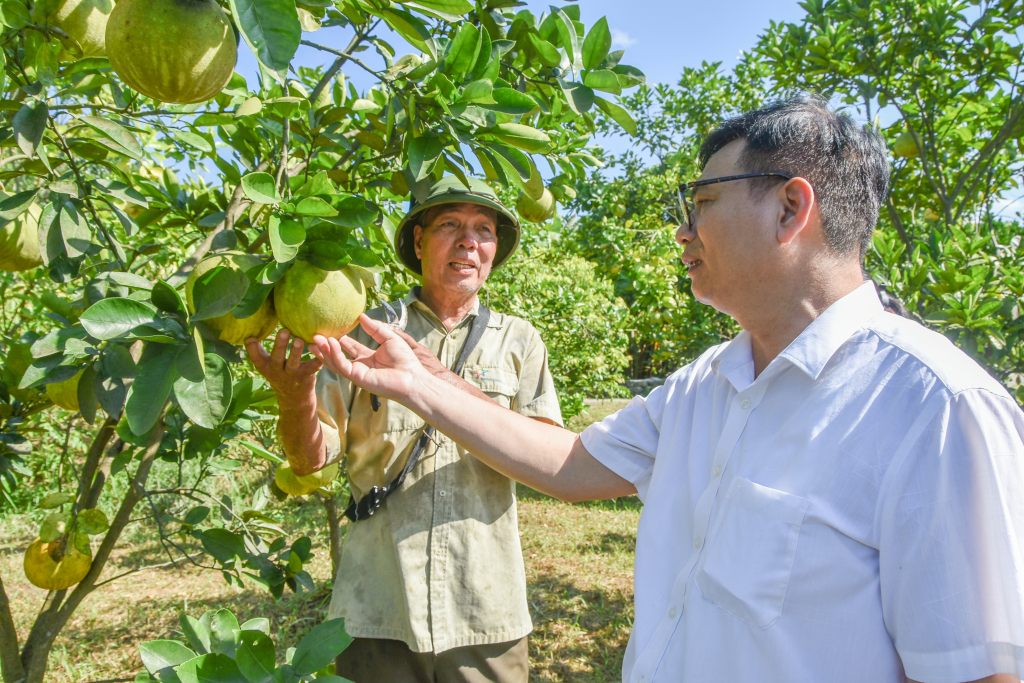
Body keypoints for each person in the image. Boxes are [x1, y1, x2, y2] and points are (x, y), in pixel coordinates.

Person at [309, 96, 1024, 683]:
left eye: (701, 201)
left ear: (789, 208)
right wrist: (425, 381)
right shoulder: (704, 385)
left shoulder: (934, 409)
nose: (682, 230)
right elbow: (569, 462)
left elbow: (976, 670)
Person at [245, 177, 563, 683]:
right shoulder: (359, 329)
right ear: (418, 241)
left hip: (484, 612)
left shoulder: (519, 340)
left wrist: (440, 386)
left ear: (494, 248)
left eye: (483, 229)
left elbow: (547, 459)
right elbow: (312, 463)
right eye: (450, 225)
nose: (469, 241)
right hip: (378, 611)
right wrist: (293, 396)